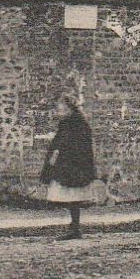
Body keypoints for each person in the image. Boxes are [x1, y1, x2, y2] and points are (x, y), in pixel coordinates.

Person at [42, 94, 98, 240]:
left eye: (61, 109)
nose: (59, 112)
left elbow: (78, 145)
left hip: (74, 165)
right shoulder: (68, 123)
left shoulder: (77, 123)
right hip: (68, 165)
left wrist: (60, 154)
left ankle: (75, 228)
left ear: (69, 108)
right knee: (72, 197)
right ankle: (74, 227)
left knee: (73, 196)